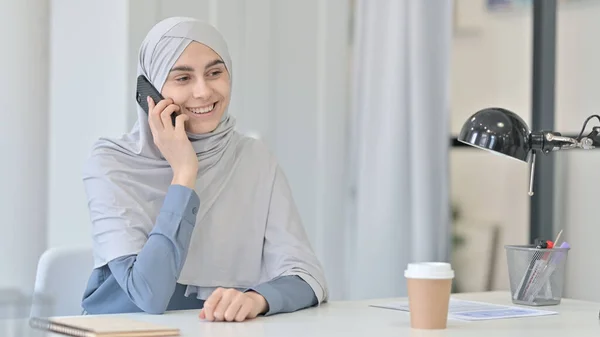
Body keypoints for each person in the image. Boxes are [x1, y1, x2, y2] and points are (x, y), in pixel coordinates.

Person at [80, 16, 327, 322]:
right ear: (151, 91)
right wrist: (184, 173)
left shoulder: (252, 158)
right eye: (182, 78)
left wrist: (258, 299)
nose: (203, 92)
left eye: (214, 73)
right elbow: (149, 295)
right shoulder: (112, 162)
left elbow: (306, 277)